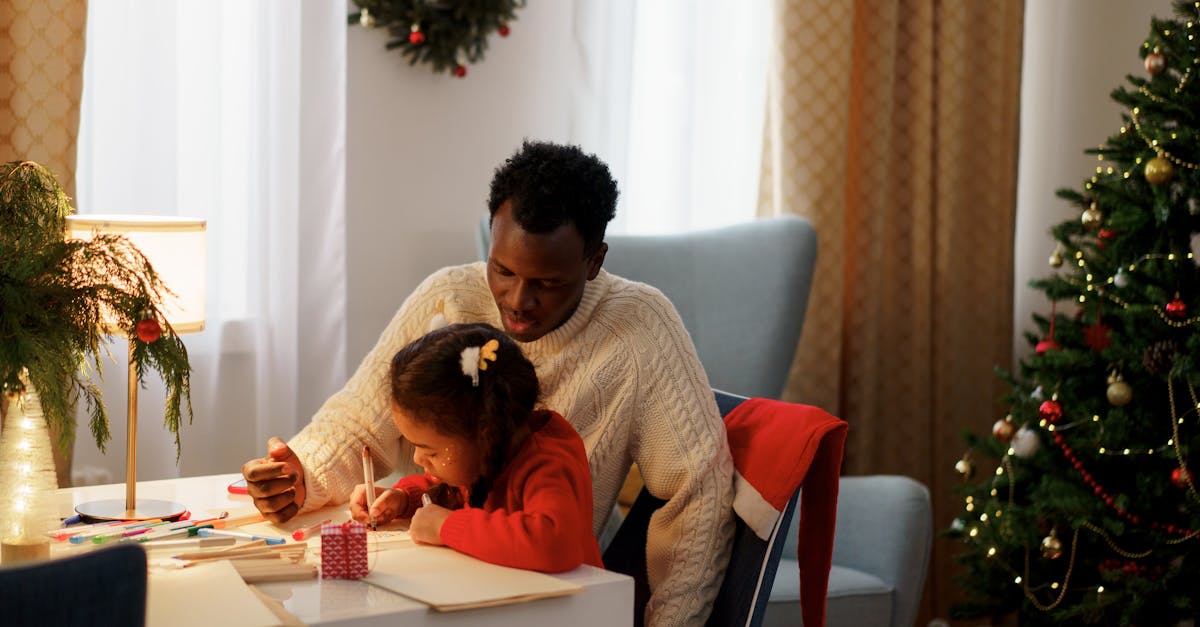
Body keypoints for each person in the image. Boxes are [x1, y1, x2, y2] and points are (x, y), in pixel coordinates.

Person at [242, 140, 733, 626]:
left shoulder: (641, 326)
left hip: (548, 599)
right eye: (502, 269)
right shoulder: (448, 295)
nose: (517, 300)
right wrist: (302, 474)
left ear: (593, 261)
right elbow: (358, 420)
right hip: (455, 584)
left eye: (547, 283)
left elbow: (701, 494)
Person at [346, 321, 603, 573]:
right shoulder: (479, 455)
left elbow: (554, 545)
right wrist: (404, 499)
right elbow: (454, 489)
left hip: (568, 609)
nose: (419, 458)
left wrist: (446, 526)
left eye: (431, 451)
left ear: (485, 433)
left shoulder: (547, 463)